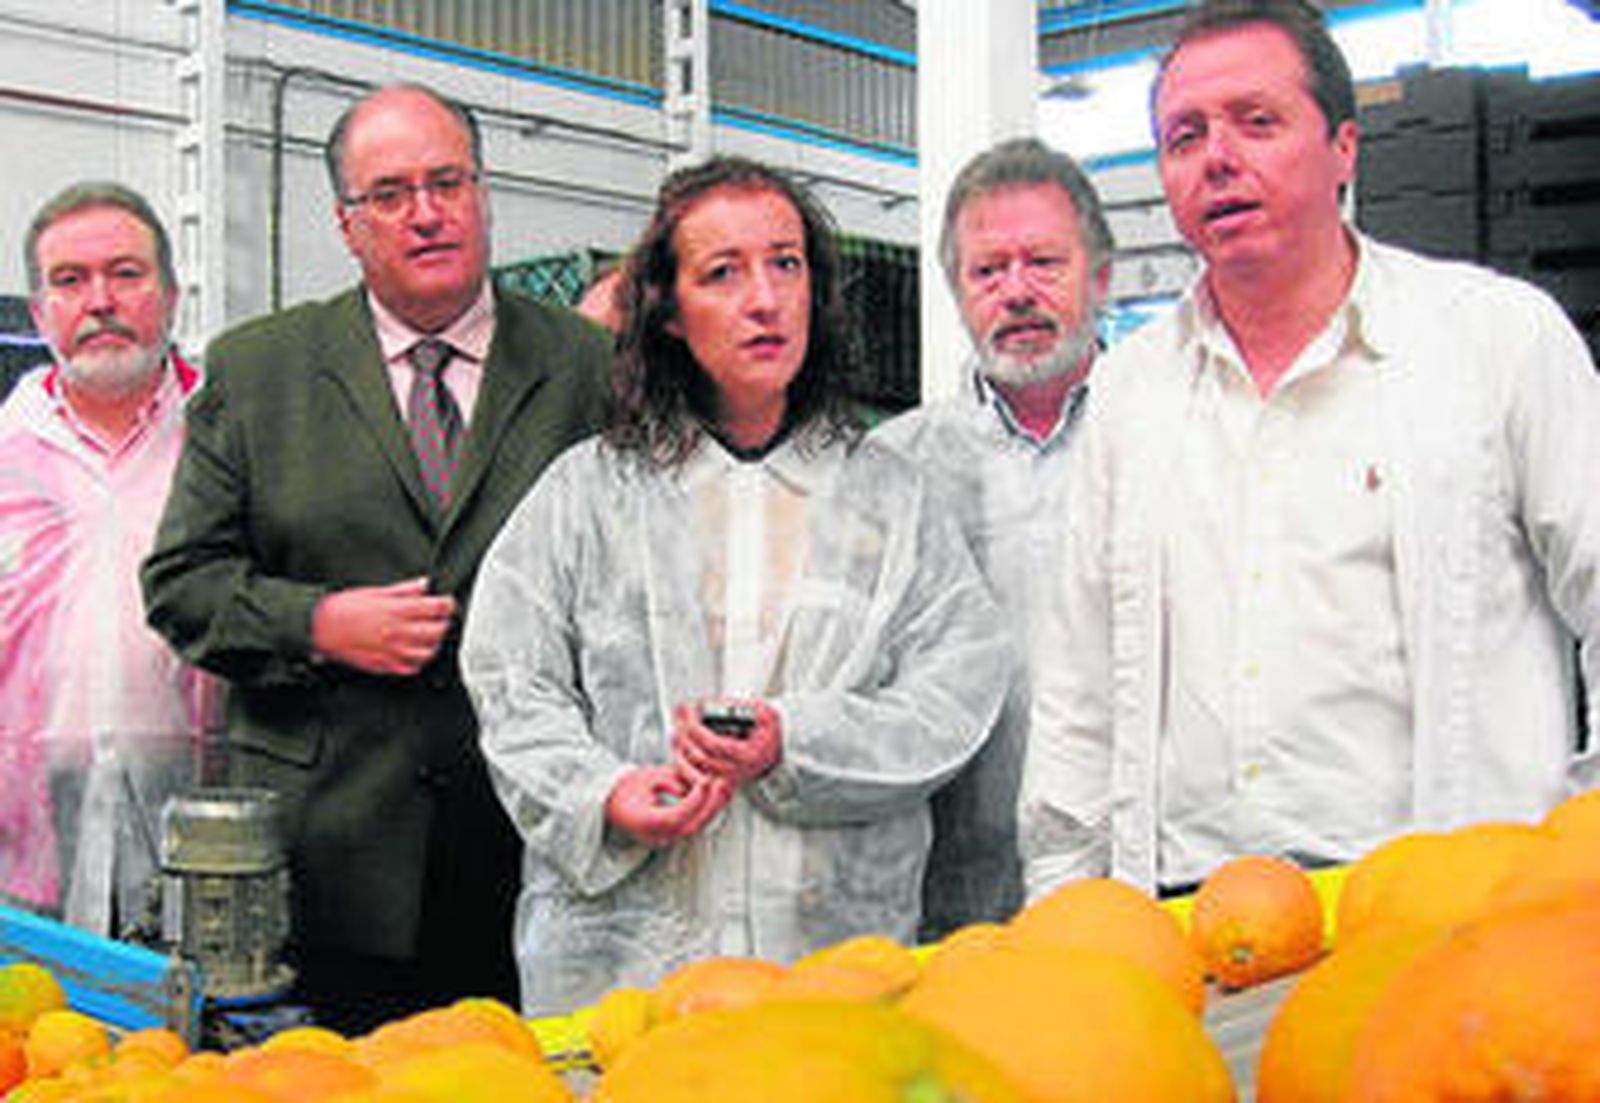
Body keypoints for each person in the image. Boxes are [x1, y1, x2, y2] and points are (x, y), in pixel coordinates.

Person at [1023, 0, 1600, 901]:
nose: (1218, 158)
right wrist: (1062, 902)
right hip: (1191, 914)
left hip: (1444, 907)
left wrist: (1575, 858)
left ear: (1343, 148)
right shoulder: (1132, 393)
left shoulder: (1497, 342)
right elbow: (1079, 686)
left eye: (1258, 122)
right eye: (1185, 135)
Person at [460, 156, 1010, 1015]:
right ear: (669, 312)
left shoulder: (892, 498)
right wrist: (605, 793)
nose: (766, 298)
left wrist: (796, 740)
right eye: (723, 272)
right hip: (628, 970)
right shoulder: (587, 493)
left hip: (833, 958)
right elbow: (508, 678)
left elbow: (955, 690)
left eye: (786, 263)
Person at [141, 83, 610, 1031]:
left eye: (448, 182)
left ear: (483, 195)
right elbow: (182, 584)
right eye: (390, 194)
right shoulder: (259, 369)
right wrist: (317, 623)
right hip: (330, 862)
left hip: (532, 853)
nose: (426, 213)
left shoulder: (590, 368)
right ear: (347, 225)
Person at [875, 138, 1112, 939]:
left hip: (1142, 877)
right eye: (987, 271)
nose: (1016, 292)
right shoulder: (894, 469)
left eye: (1043, 262)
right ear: (957, 291)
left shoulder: (1168, 434)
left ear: (1101, 277)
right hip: (960, 896)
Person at [0, 182, 216, 935]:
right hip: (21, 845)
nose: (100, 300)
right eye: (70, 280)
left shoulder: (226, 438)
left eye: (126, 274)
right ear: (39, 313)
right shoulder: (7, 453)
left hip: (208, 833)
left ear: (171, 294)